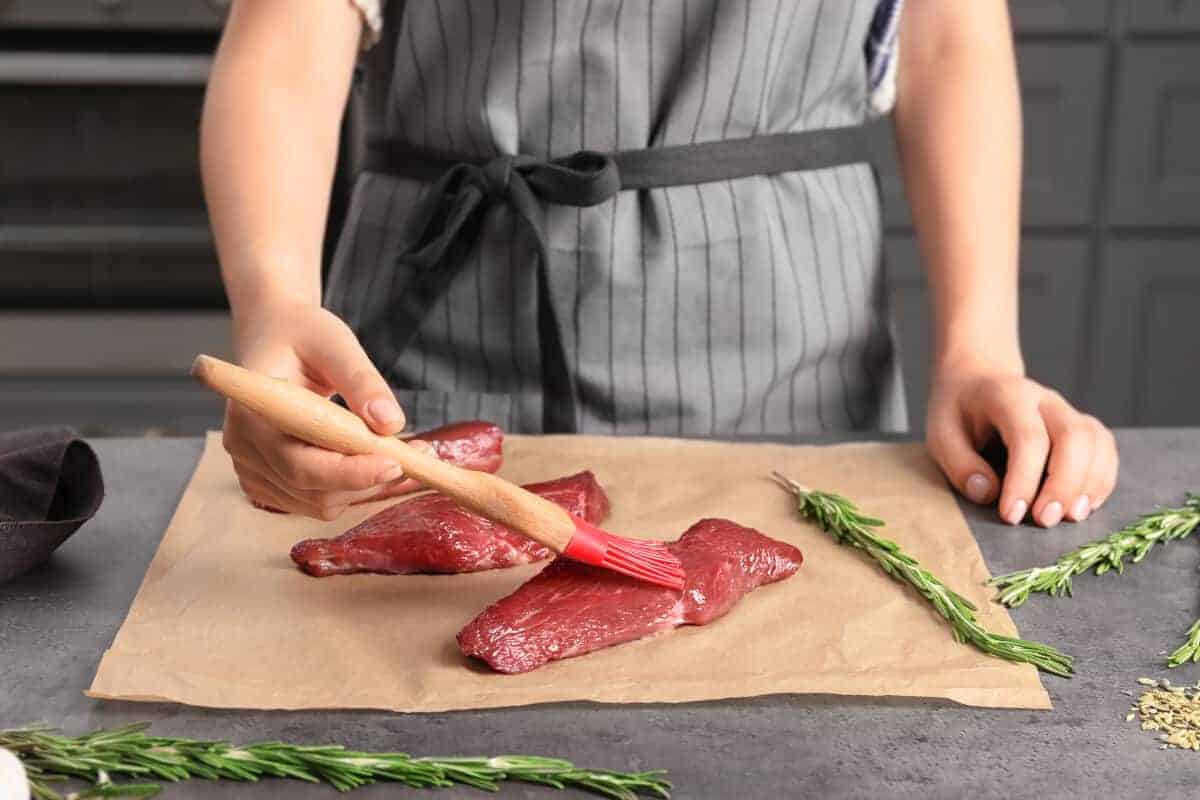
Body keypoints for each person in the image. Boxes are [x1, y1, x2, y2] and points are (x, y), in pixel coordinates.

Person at [201, 0, 1117, 528]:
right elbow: (286, 42)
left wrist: (980, 347)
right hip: (430, 342)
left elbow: (948, 36)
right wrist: (275, 303)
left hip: (792, 342)